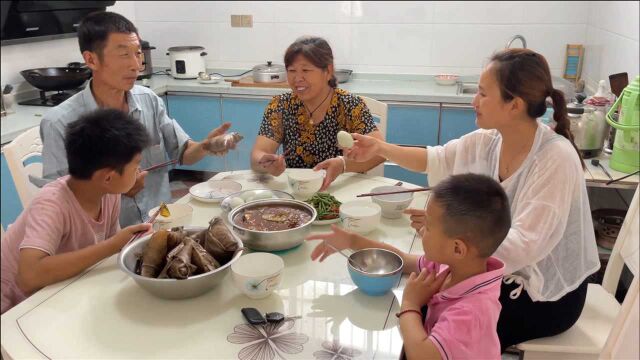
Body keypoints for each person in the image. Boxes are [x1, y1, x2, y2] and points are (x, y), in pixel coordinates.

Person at [343, 48, 600, 350]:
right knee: (424, 301)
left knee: (429, 315)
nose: (473, 101)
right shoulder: (490, 140)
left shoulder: (555, 158)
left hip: (545, 293)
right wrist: (379, 148)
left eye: (482, 94)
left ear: (514, 105)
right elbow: (435, 158)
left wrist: (450, 233)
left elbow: (524, 246)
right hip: (490, 268)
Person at [40, 11, 232, 227]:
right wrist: (115, 191)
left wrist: (206, 146)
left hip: (160, 223)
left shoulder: (148, 100)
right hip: (105, 239)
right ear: (91, 59)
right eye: (123, 55)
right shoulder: (60, 123)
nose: (136, 65)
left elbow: (183, 154)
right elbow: (59, 204)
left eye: (138, 53)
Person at [307, 174, 511, 359]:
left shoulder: (473, 312)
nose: (422, 229)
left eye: (428, 227)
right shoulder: (452, 266)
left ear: (457, 248)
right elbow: (403, 260)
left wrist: (411, 304)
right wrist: (352, 241)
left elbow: (422, 355)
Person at [1, 109, 152, 314]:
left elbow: (107, 249)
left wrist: (124, 243)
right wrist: (114, 245)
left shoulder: (108, 192)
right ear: (107, 177)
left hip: (60, 289)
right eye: (135, 166)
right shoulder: (52, 204)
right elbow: (29, 277)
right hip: (16, 308)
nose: (139, 171)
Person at [250, 36, 385, 191]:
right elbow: (257, 155)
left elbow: (380, 152)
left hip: (339, 189)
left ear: (328, 71)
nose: (297, 78)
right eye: (291, 71)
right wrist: (266, 162)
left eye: (306, 70)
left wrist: (343, 164)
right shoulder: (281, 105)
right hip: (297, 192)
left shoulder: (350, 105)